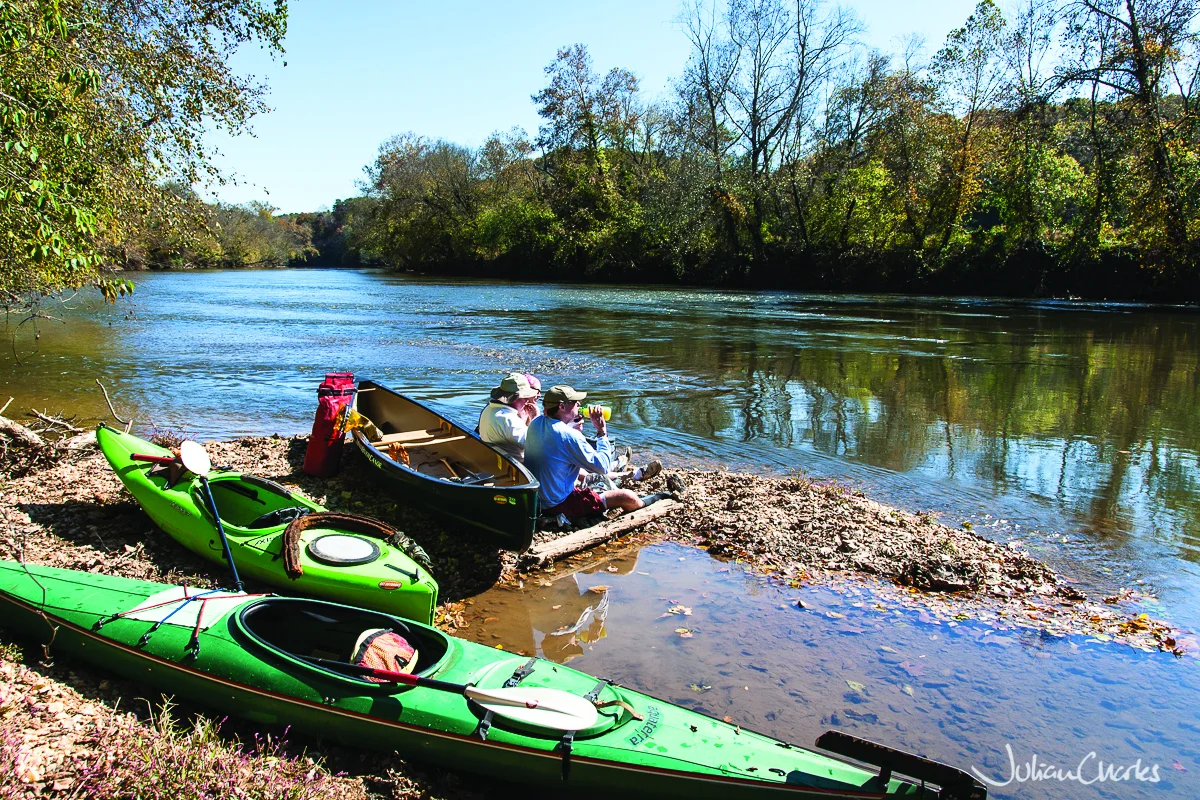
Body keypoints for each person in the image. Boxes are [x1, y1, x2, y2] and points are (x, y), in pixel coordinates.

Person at [525, 385, 669, 519]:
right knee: (626, 496)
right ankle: (659, 498)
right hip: (557, 505)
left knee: (597, 482)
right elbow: (602, 467)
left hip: (537, 499)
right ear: (562, 406)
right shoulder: (568, 435)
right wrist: (601, 431)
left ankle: (623, 476)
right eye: (575, 402)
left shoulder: (536, 423)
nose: (579, 404)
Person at [478, 372, 539, 461]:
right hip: (519, 467)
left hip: (495, 461)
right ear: (514, 399)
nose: (527, 401)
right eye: (525, 397)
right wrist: (535, 419)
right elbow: (535, 447)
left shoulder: (489, 409)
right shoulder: (508, 419)